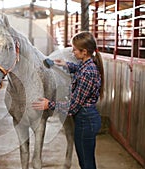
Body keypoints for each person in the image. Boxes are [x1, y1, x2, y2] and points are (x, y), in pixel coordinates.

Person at [32, 31, 104, 169]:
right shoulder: (87, 66)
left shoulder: (88, 73)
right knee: (85, 160)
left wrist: (49, 104)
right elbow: (79, 69)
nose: (72, 51)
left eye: (75, 49)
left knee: (86, 163)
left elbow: (73, 106)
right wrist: (64, 64)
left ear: (84, 52)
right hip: (86, 118)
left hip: (85, 119)